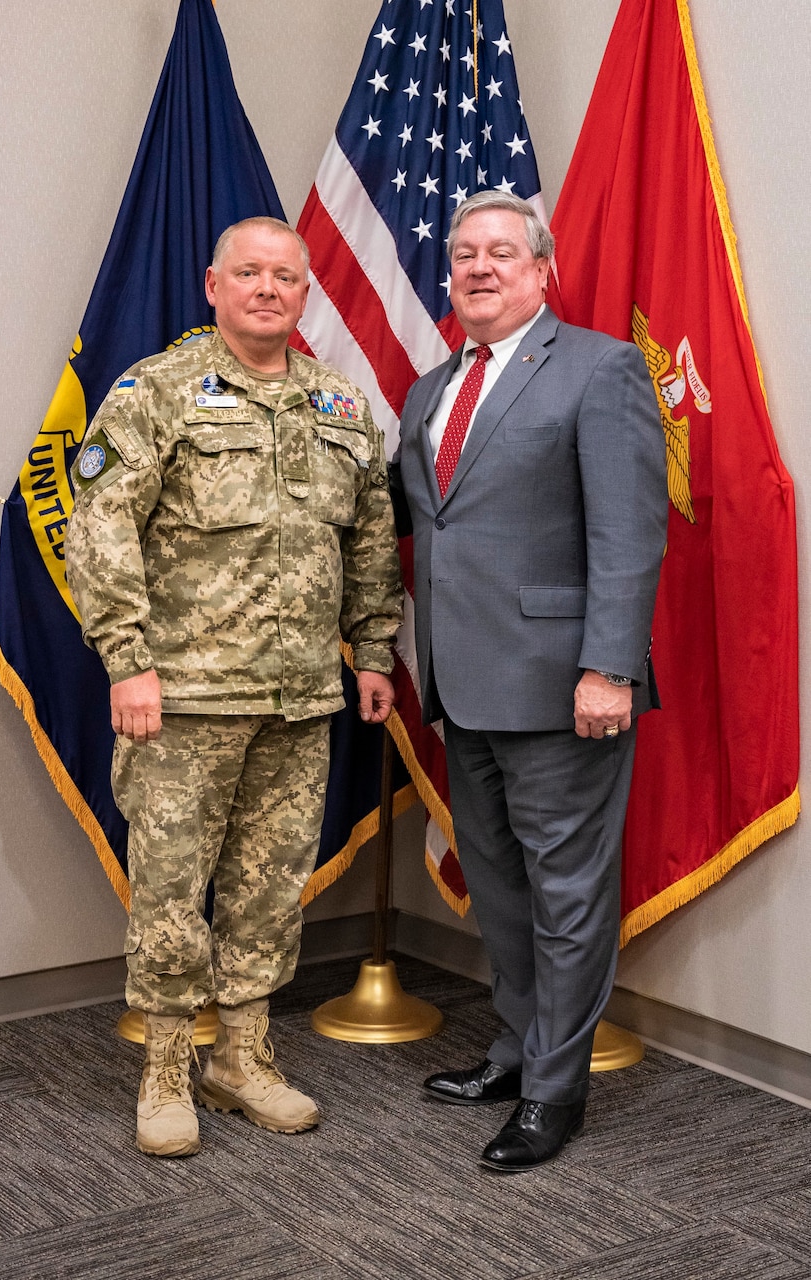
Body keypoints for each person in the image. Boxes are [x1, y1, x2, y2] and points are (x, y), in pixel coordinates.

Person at [66, 216, 403, 1158]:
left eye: (284, 277)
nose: (267, 289)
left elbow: (370, 537)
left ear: (304, 293)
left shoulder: (339, 405)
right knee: (172, 888)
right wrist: (127, 659)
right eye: (248, 273)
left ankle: (243, 1057)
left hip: (300, 698)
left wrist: (372, 649)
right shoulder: (157, 391)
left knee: (268, 886)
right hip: (183, 697)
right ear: (212, 284)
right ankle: (167, 1067)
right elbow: (99, 528)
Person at [390, 191, 666, 1172]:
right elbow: (425, 532)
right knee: (499, 886)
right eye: (463, 252)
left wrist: (607, 666)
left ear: (541, 268)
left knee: (567, 890)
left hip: (562, 686)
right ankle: (512, 1049)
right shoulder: (428, 392)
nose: (478, 266)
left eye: (500, 252)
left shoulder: (599, 368)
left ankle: (555, 1088)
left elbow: (630, 534)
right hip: (460, 684)